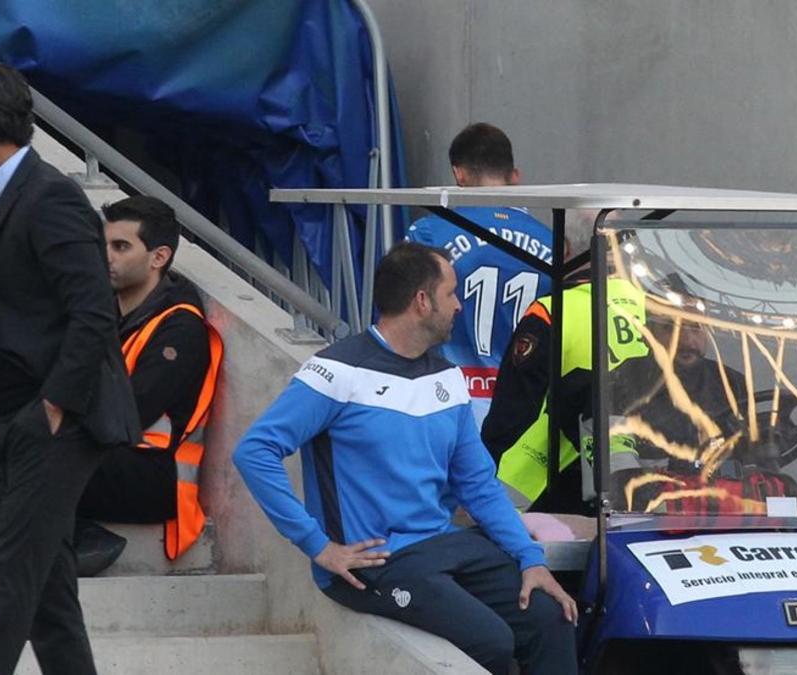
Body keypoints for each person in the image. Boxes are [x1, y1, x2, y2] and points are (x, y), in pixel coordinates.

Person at [233, 242, 576, 675]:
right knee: (493, 641)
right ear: (421, 301)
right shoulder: (338, 372)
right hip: (376, 562)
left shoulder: (447, 377)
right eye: (451, 293)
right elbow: (254, 451)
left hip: (444, 544)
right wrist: (318, 546)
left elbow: (479, 485)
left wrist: (530, 559)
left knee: (553, 618)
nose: (459, 305)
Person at [0, 61, 141, 674]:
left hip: (53, 423)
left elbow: (93, 313)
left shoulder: (49, 195)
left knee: (11, 580)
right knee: (50, 593)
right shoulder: (5, 196)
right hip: (16, 419)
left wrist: (53, 407)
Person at [0, 195, 221, 574]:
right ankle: (79, 533)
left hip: (151, 477)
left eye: (120, 246)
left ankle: (74, 537)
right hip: (100, 458)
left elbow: (128, 414)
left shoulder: (180, 329)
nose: (105, 256)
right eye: (101, 244)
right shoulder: (106, 311)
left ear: (158, 257)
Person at [482, 211, 650, 516]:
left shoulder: (550, 311)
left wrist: (481, 475)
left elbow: (513, 411)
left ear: (565, 249)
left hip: (547, 483)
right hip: (633, 477)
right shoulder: (652, 306)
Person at [406, 123, 553, 428]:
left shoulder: (430, 233)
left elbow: (400, 317)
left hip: (450, 401)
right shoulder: (555, 241)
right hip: (530, 408)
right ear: (515, 176)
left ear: (458, 174)